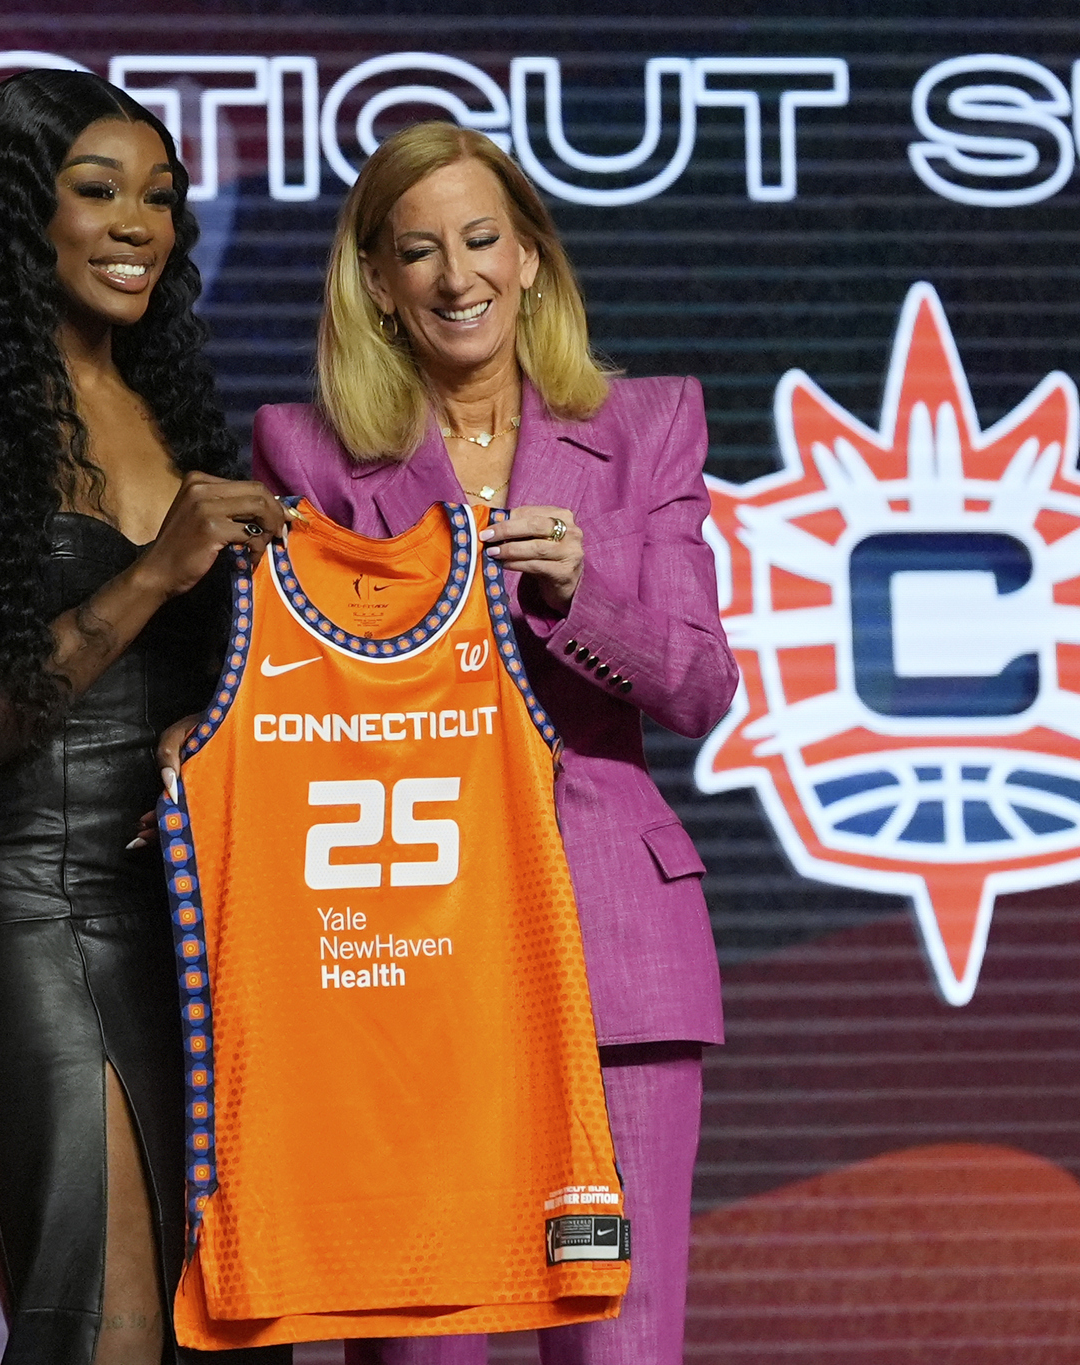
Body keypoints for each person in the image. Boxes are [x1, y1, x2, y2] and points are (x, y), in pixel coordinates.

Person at [245, 121, 739, 1365]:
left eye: (481, 240)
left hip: (613, 945)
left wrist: (586, 592)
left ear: (529, 258)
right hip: (413, 950)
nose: (457, 276)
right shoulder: (307, 454)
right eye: (421, 252)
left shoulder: (644, 427)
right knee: (421, 1346)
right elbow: (293, 703)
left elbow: (698, 685)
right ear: (378, 283)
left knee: (620, 1347)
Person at [0, 71, 289, 1365]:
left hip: (197, 918)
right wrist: (155, 572)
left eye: (158, 194)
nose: (138, 221)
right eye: (97, 192)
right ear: (10, 219)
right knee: (102, 1317)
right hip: (29, 906)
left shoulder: (181, 422)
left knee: (232, 1324)